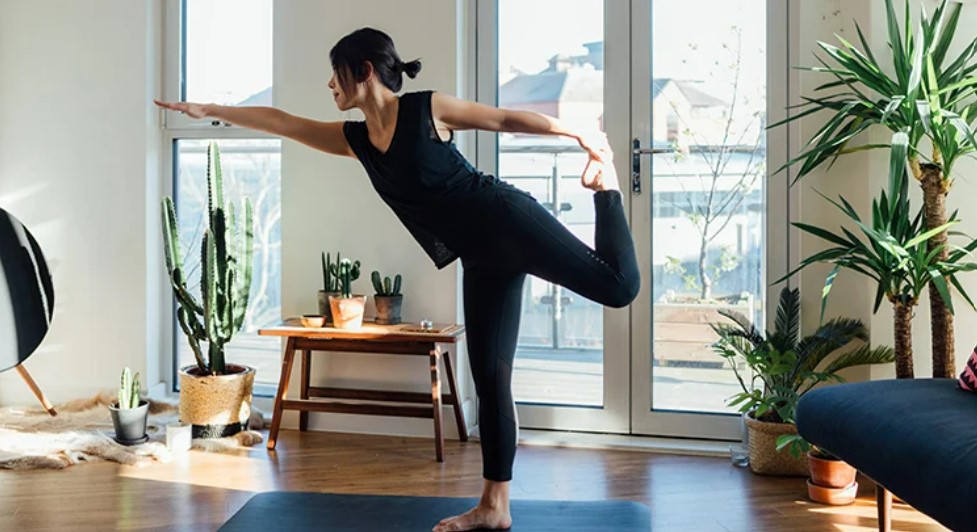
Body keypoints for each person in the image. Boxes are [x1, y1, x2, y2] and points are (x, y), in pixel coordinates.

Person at [155, 26, 639, 532]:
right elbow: (282, 121)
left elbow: (501, 118)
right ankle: (495, 507)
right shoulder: (357, 140)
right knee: (492, 380)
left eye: (335, 73)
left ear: (363, 71)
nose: (329, 85)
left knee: (619, 288)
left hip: (507, 219)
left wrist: (575, 133)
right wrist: (209, 108)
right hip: (480, 257)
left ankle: (606, 190)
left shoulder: (427, 109)